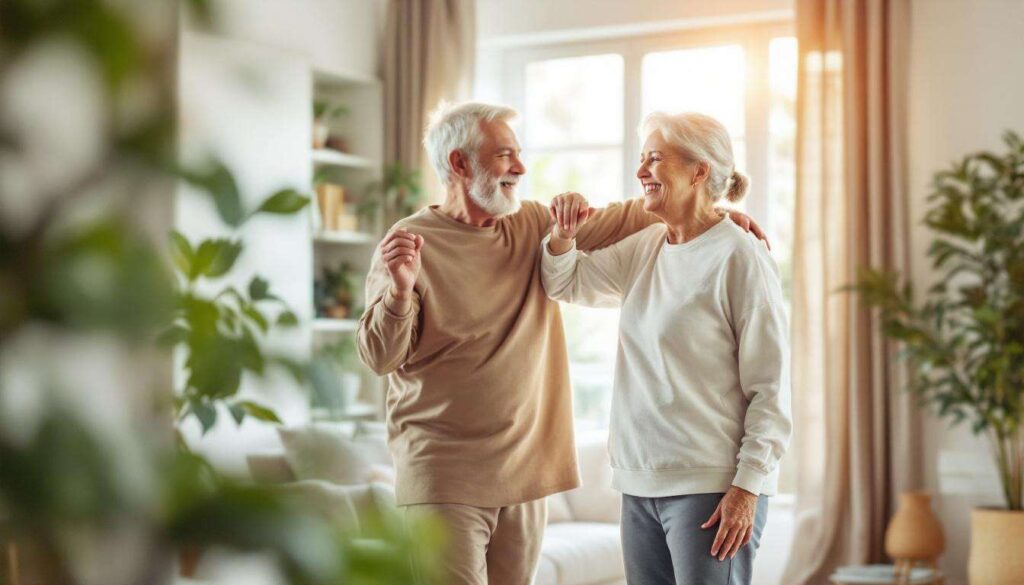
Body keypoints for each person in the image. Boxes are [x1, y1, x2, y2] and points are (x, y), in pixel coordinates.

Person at [357, 101, 765, 585]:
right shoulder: (409, 242)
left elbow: (629, 217)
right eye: (505, 154)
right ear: (459, 164)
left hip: (525, 475)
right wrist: (401, 292)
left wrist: (714, 217)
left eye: (519, 154)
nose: (521, 167)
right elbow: (380, 356)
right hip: (443, 474)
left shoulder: (530, 224)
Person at [540, 111, 792, 585]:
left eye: (654, 159)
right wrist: (564, 232)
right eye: (640, 159)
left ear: (700, 171)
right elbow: (565, 282)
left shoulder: (740, 256)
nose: (641, 172)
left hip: (712, 486)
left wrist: (747, 487)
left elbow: (771, 388)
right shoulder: (647, 246)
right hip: (638, 481)